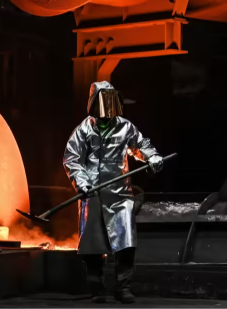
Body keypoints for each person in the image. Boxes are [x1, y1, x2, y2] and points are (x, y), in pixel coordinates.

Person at [63, 81, 164, 304]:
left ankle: (123, 287)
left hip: (120, 195)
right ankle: (97, 289)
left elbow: (141, 145)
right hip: (93, 195)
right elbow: (72, 159)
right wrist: (83, 183)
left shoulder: (125, 127)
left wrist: (152, 156)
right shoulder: (84, 130)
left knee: (126, 243)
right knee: (93, 246)